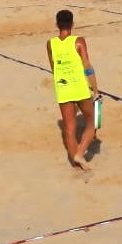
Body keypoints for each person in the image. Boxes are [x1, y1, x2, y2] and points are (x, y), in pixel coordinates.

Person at [48, 9, 99, 171]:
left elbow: (54, 68)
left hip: (62, 86)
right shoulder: (79, 41)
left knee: (69, 128)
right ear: (72, 24)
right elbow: (87, 66)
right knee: (92, 123)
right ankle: (80, 153)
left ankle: (75, 162)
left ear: (57, 24)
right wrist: (95, 89)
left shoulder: (50, 44)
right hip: (79, 86)